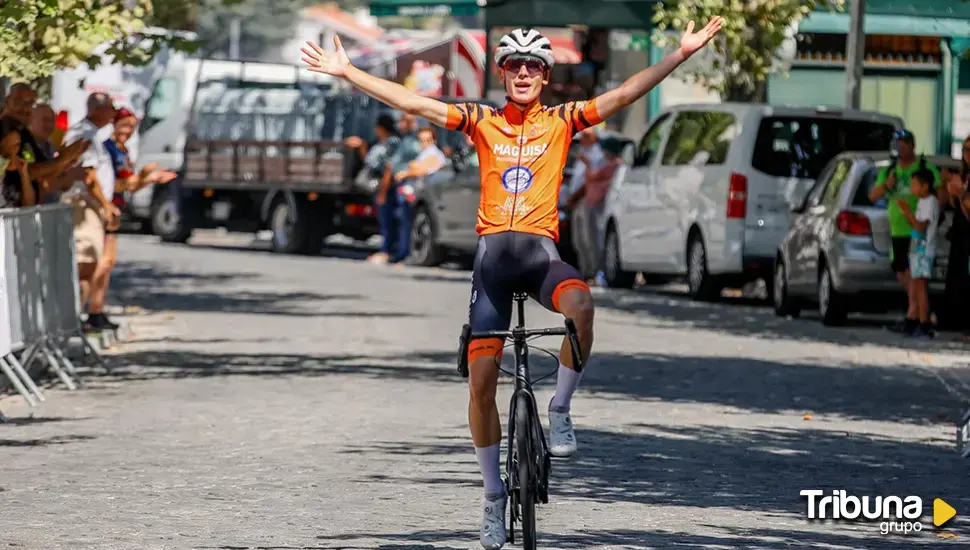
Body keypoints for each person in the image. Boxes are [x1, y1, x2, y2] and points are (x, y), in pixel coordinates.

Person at [301, 18, 723, 549]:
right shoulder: (481, 120)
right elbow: (417, 107)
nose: (524, 73)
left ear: (545, 77)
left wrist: (679, 55)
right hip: (493, 268)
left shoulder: (564, 121)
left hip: (541, 258)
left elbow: (624, 93)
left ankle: (562, 409)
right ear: (503, 73)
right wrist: (348, 71)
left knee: (583, 308)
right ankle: (493, 496)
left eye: (533, 66)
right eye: (515, 65)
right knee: (480, 382)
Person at [88, 107, 177, 330]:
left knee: (107, 264)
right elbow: (117, 183)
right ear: (115, 124)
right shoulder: (108, 149)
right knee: (101, 263)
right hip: (106, 208)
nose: (128, 131)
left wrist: (151, 178)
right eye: (124, 125)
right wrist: (145, 176)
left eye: (132, 127)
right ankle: (90, 310)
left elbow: (131, 186)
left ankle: (97, 310)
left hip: (117, 207)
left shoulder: (123, 151)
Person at [868, 129, 941, 333]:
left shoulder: (924, 168)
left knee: (916, 275)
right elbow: (873, 196)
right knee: (903, 274)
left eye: (904, 143)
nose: (900, 147)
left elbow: (940, 191)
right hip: (898, 229)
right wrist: (886, 185)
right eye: (898, 143)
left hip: (918, 232)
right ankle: (916, 314)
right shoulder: (890, 170)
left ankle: (915, 316)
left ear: (912, 145)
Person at [62, 92, 121, 330]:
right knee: (85, 265)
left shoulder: (93, 134)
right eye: (109, 108)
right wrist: (106, 206)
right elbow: (89, 176)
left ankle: (81, 316)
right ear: (96, 109)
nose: (113, 113)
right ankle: (73, 320)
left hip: (92, 206)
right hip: (85, 206)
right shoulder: (84, 133)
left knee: (93, 264)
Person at [570, 136, 624, 286]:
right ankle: (586, 273)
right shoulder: (604, 163)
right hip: (589, 202)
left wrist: (587, 164)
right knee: (582, 240)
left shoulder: (615, 165)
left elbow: (593, 177)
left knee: (592, 240)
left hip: (599, 206)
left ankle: (594, 272)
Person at [349, 114, 401, 265]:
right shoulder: (380, 143)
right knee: (383, 219)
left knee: (388, 220)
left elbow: (388, 168)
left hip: (385, 186)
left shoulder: (392, 143)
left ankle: (387, 251)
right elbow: (370, 162)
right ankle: (386, 249)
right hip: (377, 185)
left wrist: (383, 191)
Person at [897, 167, 940, 338]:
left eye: (915, 185)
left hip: (924, 250)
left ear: (925, 186)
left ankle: (925, 323)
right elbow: (915, 224)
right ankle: (916, 320)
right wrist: (906, 212)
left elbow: (921, 227)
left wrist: (908, 211)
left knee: (921, 287)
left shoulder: (930, 202)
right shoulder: (921, 202)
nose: (912, 188)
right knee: (916, 284)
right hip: (916, 249)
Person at [566, 127, 606, 280]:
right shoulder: (582, 155)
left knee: (589, 238)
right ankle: (585, 272)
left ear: (594, 138)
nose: (583, 139)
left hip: (586, 200)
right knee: (578, 240)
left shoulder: (597, 155)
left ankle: (594, 272)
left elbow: (591, 180)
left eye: (587, 136)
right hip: (577, 202)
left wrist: (575, 196)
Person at [943, 137, 970, 338]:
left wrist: (960, 195)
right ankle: (955, 319)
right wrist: (952, 193)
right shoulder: (964, 174)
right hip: (959, 232)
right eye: (964, 149)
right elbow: (957, 207)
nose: (967, 153)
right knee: (957, 276)